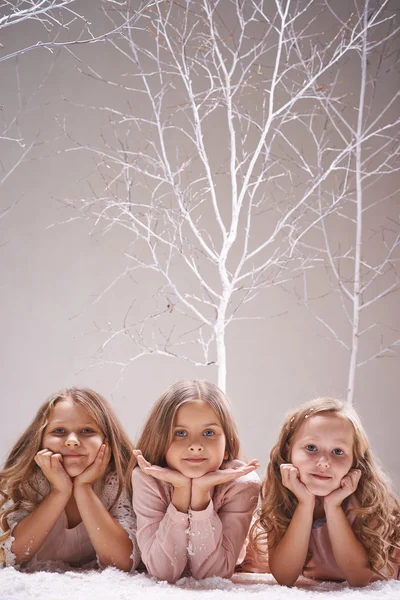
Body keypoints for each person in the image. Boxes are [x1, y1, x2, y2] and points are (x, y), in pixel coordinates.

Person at [247, 397, 400, 586]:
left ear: (355, 460)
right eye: (311, 448)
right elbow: (285, 577)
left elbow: (359, 578)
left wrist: (333, 506)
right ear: (289, 450)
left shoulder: (367, 496)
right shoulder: (283, 490)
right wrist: (305, 503)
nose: (323, 462)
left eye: (338, 451)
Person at [131, 379, 260, 582]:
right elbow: (163, 572)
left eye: (209, 433)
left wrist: (200, 496)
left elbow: (213, 575)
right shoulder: (147, 480)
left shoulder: (242, 485)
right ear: (160, 439)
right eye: (180, 433)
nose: (195, 445)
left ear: (227, 445)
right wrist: (181, 491)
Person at [0, 387, 139, 572]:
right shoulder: (24, 481)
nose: (72, 441)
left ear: (107, 440)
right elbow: (11, 557)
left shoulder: (120, 482)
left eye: (87, 431)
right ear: (39, 439)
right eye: (59, 431)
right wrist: (59, 491)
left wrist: (84, 487)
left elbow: (122, 562)